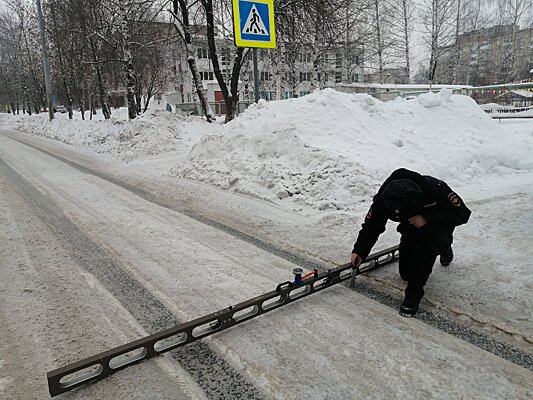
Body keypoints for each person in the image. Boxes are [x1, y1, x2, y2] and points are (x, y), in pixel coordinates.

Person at [351, 168, 471, 317]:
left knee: (426, 250)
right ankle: (437, 246)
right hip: (410, 226)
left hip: (435, 225)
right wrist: (360, 251)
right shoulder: (385, 197)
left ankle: (415, 294)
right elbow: (372, 226)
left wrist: (427, 218)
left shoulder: (436, 189)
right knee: (406, 274)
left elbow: (463, 214)